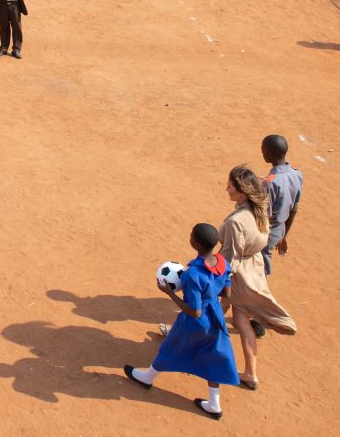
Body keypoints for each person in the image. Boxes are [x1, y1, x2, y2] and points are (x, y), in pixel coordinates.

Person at [124, 222, 239, 421]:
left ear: (197, 245)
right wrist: (210, 292)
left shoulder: (192, 275)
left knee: (170, 346)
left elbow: (194, 310)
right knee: (213, 357)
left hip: (196, 322)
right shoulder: (223, 263)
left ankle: (147, 378)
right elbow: (227, 292)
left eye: (191, 236)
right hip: (216, 319)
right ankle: (214, 404)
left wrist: (169, 293)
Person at [220, 165, 297, 391]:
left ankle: (177, 339)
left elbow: (231, 258)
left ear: (243, 192)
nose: (227, 188)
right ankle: (251, 374)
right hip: (253, 270)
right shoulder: (260, 209)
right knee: (242, 322)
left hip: (236, 278)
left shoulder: (237, 221)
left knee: (207, 310)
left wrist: (218, 279)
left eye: (231, 186)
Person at [260, 135, 302, 276]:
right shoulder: (296, 174)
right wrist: (283, 236)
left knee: (260, 266)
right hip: (280, 229)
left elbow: (264, 215)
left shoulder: (270, 182)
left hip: (267, 232)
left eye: (263, 150)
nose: (262, 152)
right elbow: (294, 209)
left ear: (270, 154)